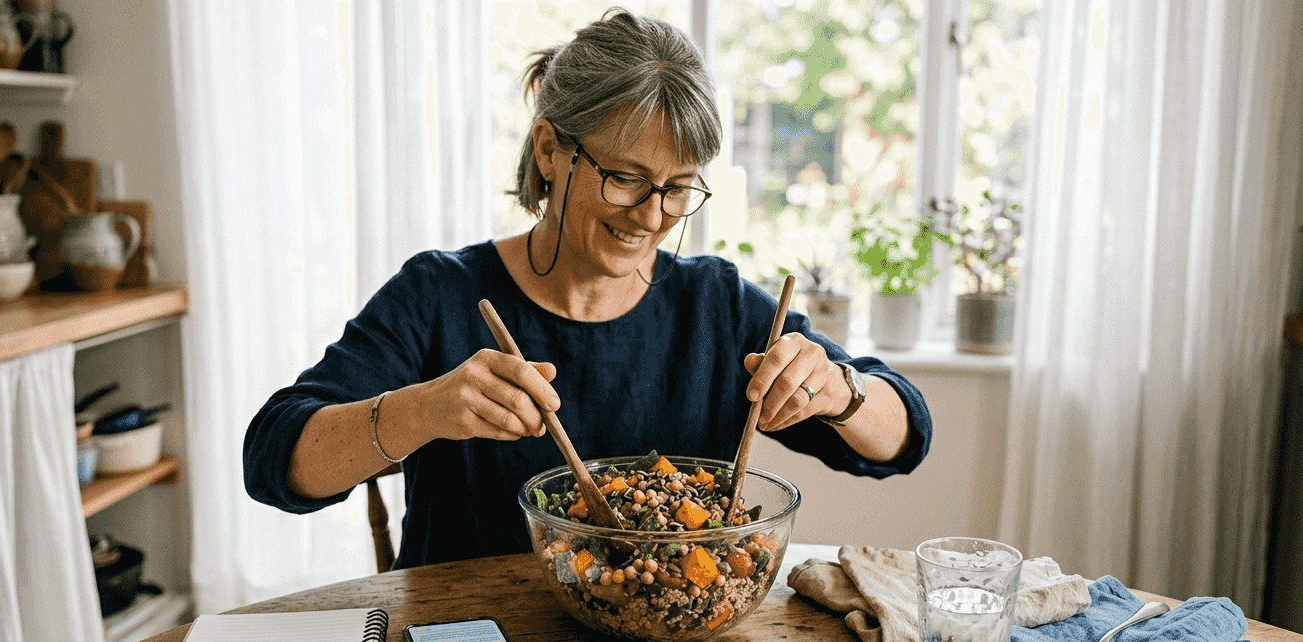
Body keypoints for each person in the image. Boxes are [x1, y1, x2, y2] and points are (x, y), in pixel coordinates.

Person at [244, 8, 932, 570]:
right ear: (549, 149)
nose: (652, 215)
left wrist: (841, 390)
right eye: (626, 177)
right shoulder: (441, 295)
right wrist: (420, 412)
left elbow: (905, 436)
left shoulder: (714, 308)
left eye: (679, 187)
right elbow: (273, 459)